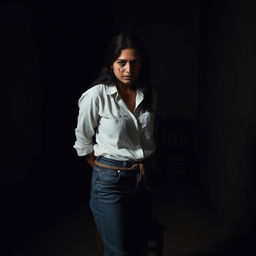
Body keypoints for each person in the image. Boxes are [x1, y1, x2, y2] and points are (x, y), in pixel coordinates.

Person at [73, 32, 157, 256]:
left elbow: (146, 140)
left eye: (134, 62)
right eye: (122, 63)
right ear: (111, 64)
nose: (128, 70)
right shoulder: (96, 95)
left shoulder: (147, 94)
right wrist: (104, 170)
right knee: (118, 252)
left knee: (138, 248)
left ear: (141, 63)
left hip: (142, 179)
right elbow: (83, 142)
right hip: (110, 181)